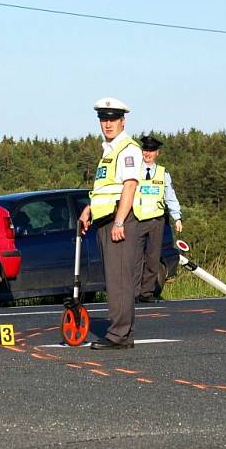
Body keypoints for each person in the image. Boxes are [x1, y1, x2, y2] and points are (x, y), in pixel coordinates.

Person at [78, 97, 142, 350]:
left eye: (112, 119)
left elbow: (129, 186)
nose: (107, 124)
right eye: (104, 120)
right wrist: (89, 209)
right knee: (113, 280)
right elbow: (105, 189)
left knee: (120, 281)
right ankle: (120, 333)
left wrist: (119, 222)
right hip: (104, 220)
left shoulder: (128, 149)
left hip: (120, 220)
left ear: (122, 121)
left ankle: (119, 335)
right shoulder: (108, 152)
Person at [135, 135, 183, 303]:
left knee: (153, 257)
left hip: (156, 220)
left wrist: (177, 217)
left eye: (151, 151)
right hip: (136, 219)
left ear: (157, 153)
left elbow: (170, 196)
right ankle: (133, 291)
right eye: (145, 150)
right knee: (134, 257)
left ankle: (146, 293)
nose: (147, 153)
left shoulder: (163, 173)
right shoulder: (134, 170)